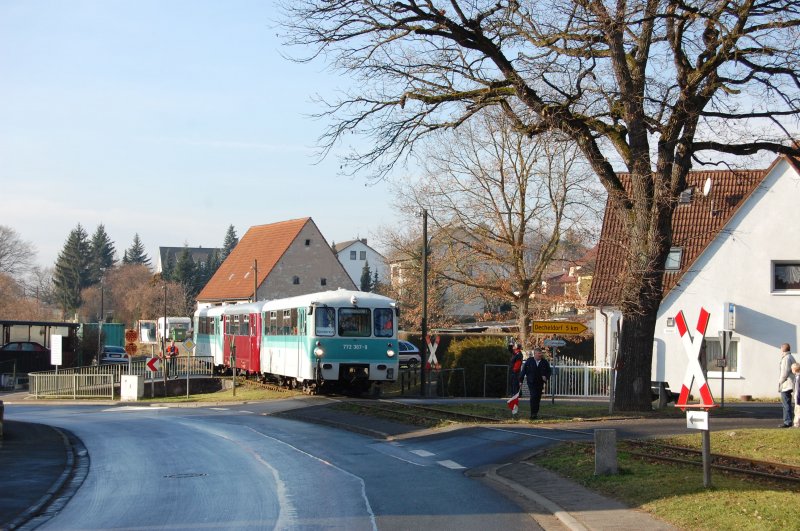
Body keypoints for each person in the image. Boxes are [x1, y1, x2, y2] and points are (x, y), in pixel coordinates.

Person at [519, 347, 551, 420]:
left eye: (541, 353)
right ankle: (532, 414)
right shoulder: (529, 361)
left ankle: (535, 413)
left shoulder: (544, 362)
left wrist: (546, 377)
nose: (540, 355)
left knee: (537, 398)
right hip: (531, 382)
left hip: (540, 383)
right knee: (533, 396)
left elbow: (549, 371)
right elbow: (523, 371)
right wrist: (520, 380)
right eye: (539, 353)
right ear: (535, 354)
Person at [778, 343, 796, 428]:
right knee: (789, 403)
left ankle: (787, 422)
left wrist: (780, 382)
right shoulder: (791, 356)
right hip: (791, 383)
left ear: (783, 349)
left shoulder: (786, 358)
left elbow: (784, 373)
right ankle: (791, 421)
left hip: (786, 384)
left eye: (781, 348)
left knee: (786, 404)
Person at [792, 362, 800, 428]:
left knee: (797, 411)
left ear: (794, 370)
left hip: (798, 398)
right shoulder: (797, 377)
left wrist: (797, 398)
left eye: (792, 369)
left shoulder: (798, 378)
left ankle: (796, 424)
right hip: (797, 397)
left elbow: (797, 389)